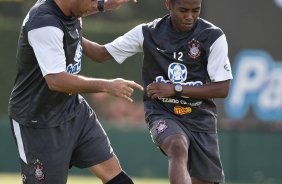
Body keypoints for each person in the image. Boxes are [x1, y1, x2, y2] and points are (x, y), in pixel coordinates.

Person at [82, 0, 233, 183]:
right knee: (177, 146)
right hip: (162, 112)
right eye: (183, 10)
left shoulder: (213, 36)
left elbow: (222, 88)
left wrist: (175, 89)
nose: (190, 17)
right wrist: (71, 30)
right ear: (169, 4)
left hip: (200, 118)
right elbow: (100, 53)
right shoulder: (147, 32)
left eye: (196, 10)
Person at [8, 0, 143, 183]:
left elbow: (96, 51)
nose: (96, 5)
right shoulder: (43, 24)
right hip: (38, 121)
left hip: (73, 111)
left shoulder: (72, 12)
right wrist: (107, 85)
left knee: (117, 178)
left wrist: (108, 5)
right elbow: (56, 81)